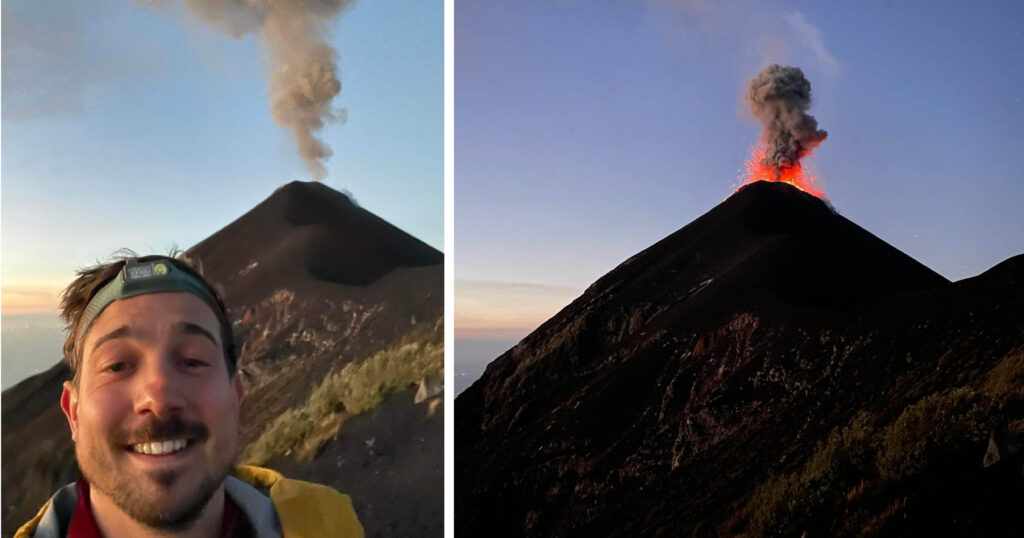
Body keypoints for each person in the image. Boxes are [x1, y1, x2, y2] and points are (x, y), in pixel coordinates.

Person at [16, 254, 364, 538]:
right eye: (118, 365)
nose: (158, 395)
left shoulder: (329, 526)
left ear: (236, 398)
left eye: (194, 360)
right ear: (73, 412)